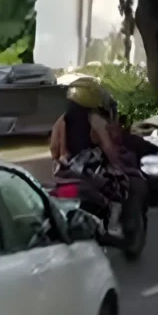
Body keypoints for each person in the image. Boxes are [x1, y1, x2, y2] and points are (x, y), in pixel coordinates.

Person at [50, 77, 129, 237]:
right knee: (118, 194)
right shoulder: (95, 119)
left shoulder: (60, 120)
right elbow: (108, 147)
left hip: (63, 173)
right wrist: (118, 165)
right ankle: (113, 226)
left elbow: (53, 149)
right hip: (90, 173)